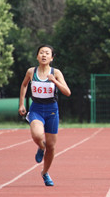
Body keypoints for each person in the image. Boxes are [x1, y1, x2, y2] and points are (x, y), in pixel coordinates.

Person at [19, 45, 71, 186]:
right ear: (37, 56)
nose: (44, 55)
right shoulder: (31, 72)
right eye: (41, 53)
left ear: (52, 58)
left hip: (52, 110)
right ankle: (41, 148)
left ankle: (45, 173)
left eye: (47, 53)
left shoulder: (56, 72)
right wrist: (22, 104)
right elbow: (24, 85)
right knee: (37, 135)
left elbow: (67, 92)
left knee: (52, 146)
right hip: (36, 109)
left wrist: (54, 81)